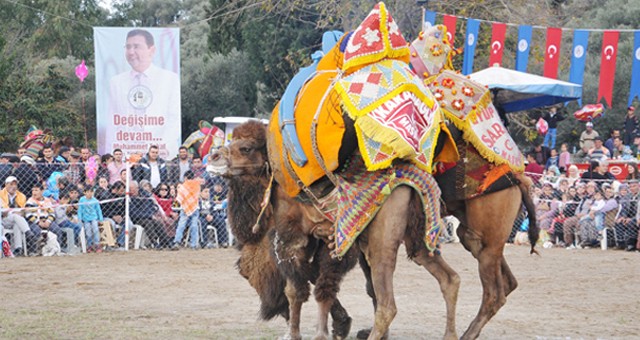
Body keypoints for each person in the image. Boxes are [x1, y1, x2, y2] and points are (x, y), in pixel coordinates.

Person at [102, 29, 180, 156]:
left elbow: (173, 119)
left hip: (160, 154)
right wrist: (110, 154)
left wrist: (158, 150)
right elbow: (112, 122)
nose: (131, 52)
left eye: (136, 47)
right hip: (126, 154)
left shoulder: (169, 79)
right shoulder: (116, 82)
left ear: (152, 50)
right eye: (128, 47)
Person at [0, 176, 31, 255]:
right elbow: (4, 211)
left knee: (17, 224)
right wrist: (13, 212)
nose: (13, 186)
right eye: (11, 184)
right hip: (3, 218)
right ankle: (27, 231)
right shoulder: (1, 194)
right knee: (15, 217)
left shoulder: (21, 196)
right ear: (6, 185)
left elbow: (23, 210)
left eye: (15, 184)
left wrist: (20, 212)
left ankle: (18, 249)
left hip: (16, 219)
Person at [171, 171, 201, 250]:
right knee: (194, 225)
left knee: (181, 225)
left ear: (185, 178)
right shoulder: (197, 185)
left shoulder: (183, 186)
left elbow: (179, 198)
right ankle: (194, 244)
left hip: (184, 208)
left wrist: (175, 204)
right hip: (195, 207)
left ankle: (177, 241)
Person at [77, 186, 104, 253]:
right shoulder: (82, 200)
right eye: (88, 192)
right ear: (85, 192)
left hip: (94, 218)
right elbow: (80, 210)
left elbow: (98, 210)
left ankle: (97, 244)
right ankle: (89, 245)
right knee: (88, 231)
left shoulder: (95, 200)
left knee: (95, 229)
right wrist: (79, 218)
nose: (90, 193)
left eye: (91, 192)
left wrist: (100, 219)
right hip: (86, 219)